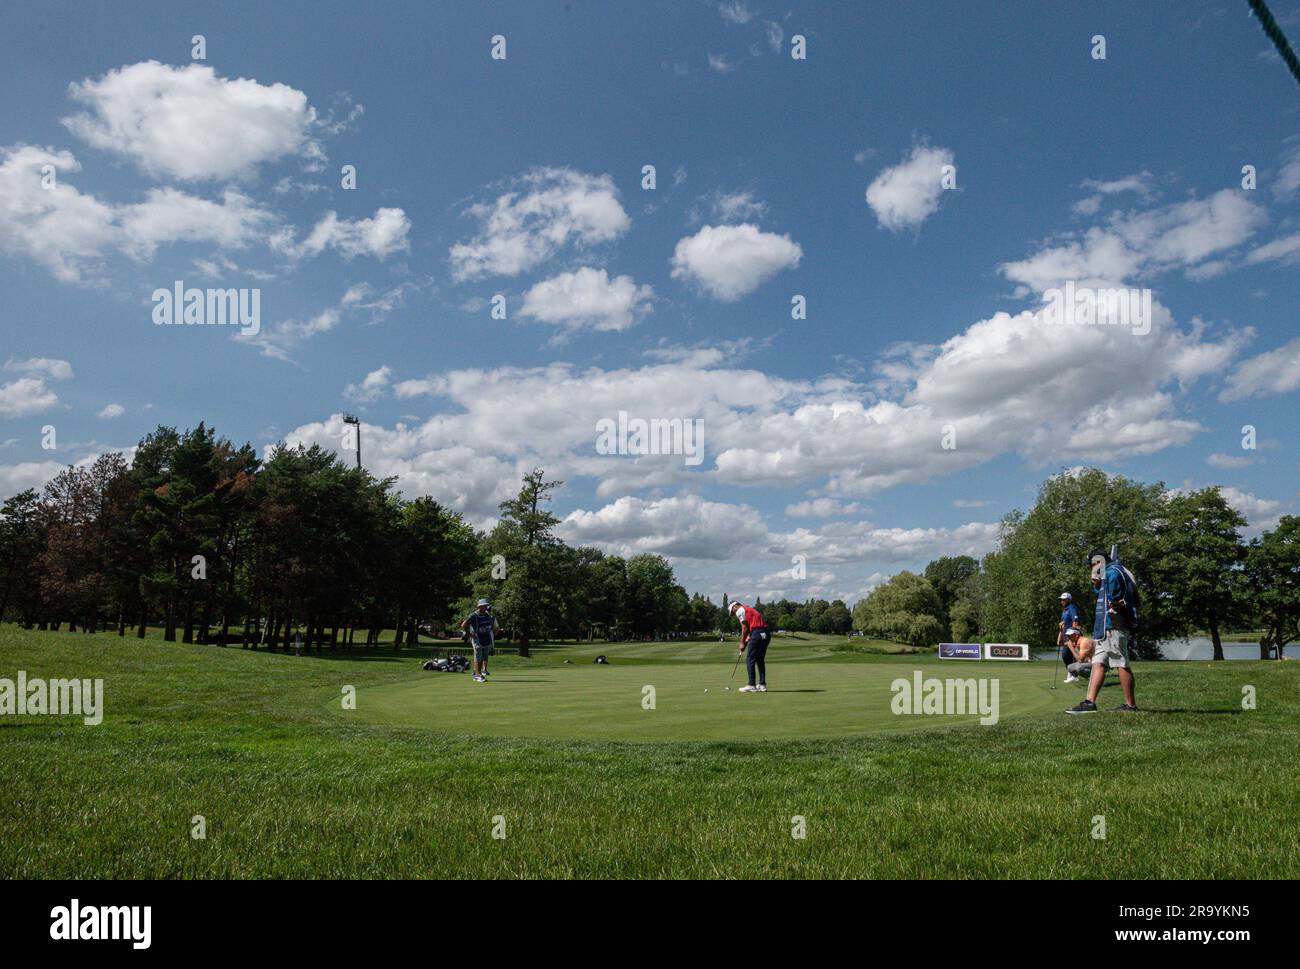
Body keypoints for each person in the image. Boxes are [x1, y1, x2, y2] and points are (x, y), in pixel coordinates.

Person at [1067, 549, 1138, 714]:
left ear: (1099, 562)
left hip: (1113, 624)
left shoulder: (1112, 573)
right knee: (1098, 663)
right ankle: (1089, 702)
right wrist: (1098, 584)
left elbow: (1114, 599)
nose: (1091, 568)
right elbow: (1103, 594)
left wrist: (1103, 584)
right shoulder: (1111, 572)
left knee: (1121, 663)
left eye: (1092, 565)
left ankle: (1130, 705)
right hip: (1104, 628)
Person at [730, 600, 771, 693]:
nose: (734, 614)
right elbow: (751, 626)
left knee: (750, 659)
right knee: (760, 659)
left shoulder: (740, 610)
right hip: (766, 633)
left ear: (735, 606)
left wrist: (742, 642)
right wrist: (749, 637)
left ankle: (751, 685)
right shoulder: (749, 609)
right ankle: (762, 685)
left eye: (733, 612)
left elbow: (744, 628)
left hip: (756, 633)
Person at [460, 598, 498, 683]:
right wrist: (469, 634)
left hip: (486, 639)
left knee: (483, 658)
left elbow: (491, 626)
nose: (485, 607)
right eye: (484, 606)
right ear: (479, 606)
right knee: (478, 658)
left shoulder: (487, 615)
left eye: (486, 606)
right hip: (477, 639)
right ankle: (477, 675)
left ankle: (479, 674)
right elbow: (463, 625)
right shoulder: (473, 615)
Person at [1057, 592, 1083, 682]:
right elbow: (1062, 624)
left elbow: (1075, 621)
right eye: (1061, 599)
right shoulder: (1064, 610)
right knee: (1066, 656)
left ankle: (1074, 675)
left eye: (1064, 599)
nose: (1062, 601)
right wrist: (1060, 635)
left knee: (1067, 655)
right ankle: (1072, 674)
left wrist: (1074, 636)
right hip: (1065, 636)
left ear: (1069, 600)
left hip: (1071, 637)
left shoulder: (1071, 608)